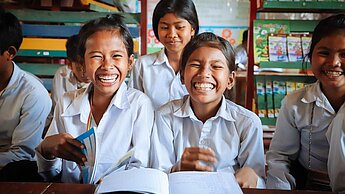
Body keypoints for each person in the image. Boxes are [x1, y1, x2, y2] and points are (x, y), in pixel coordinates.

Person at [35, 14, 155, 183]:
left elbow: (141, 165)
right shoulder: (66, 103)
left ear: (130, 63)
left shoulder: (139, 105)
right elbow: (50, 174)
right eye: (96, 56)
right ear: (83, 64)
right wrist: (46, 150)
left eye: (116, 56)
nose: (107, 66)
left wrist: (113, 183)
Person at [150, 32, 266, 188]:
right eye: (196, 65)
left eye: (216, 66)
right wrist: (178, 169)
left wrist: (253, 178)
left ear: (230, 80)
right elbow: (155, 177)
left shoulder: (247, 123)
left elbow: (259, 182)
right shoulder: (165, 116)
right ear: (182, 75)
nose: (204, 73)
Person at [266, 14, 345, 192]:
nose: (334, 63)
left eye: (344, 54)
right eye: (324, 53)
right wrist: (280, 187)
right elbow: (280, 157)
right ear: (310, 57)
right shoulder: (295, 103)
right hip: (309, 186)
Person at [0, 9, 52, 181]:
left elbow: (21, 154)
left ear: (10, 53)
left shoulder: (33, 94)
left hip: (10, 172)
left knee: (21, 170)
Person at [129, 0, 199, 109]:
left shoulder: (203, 67)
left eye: (179, 27)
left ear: (192, 29)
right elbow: (133, 106)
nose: (172, 34)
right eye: (165, 27)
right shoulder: (143, 65)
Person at [45, 34, 91, 136]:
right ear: (70, 64)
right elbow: (57, 110)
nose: (87, 73)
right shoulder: (61, 75)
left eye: (88, 65)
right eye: (80, 68)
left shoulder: (99, 79)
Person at [51, 34, 90, 111]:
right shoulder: (62, 74)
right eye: (81, 66)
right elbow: (59, 108)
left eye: (90, 63)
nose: (87, 71)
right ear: (69, 64)